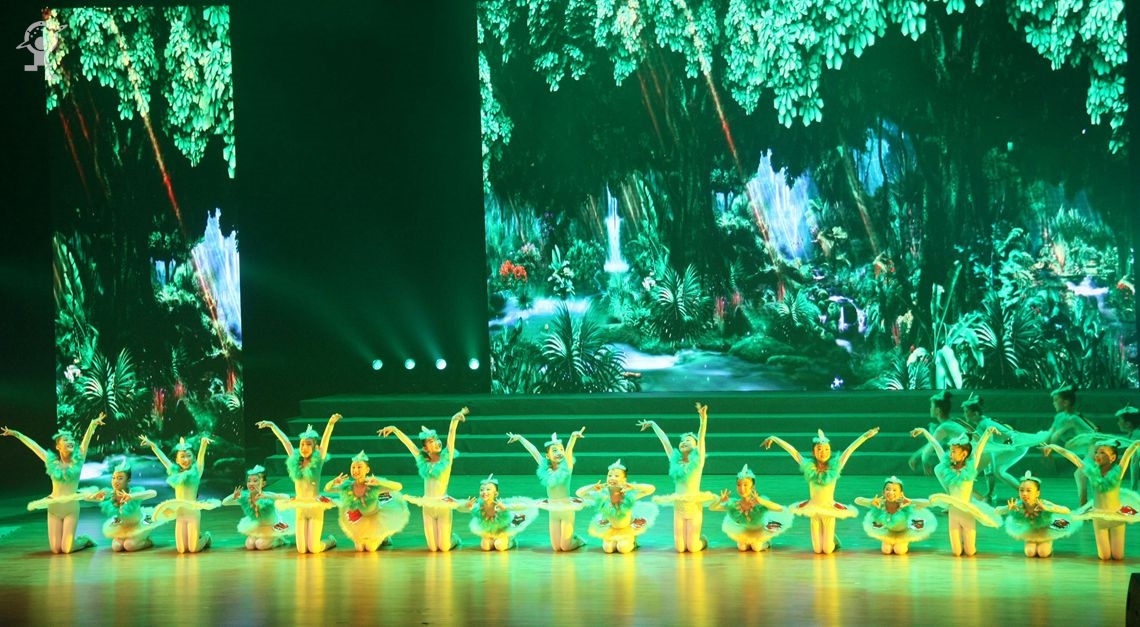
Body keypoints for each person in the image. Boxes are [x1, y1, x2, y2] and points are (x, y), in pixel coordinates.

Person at [764, 427, 879, 554]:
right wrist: (774, 438)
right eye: (819, 449)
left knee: (827, 550)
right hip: (813, 509)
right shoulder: (809, 467)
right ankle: (829, 537)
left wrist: (865, 436)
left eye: (826, 449)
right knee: (818, 550)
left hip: (829, 509)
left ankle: (834, 540)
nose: (823, 452)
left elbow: (849, 450)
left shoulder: (835, 466)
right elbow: (793, 452)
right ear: (813, 452)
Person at [2, 414, 104, 553]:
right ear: (58, 446)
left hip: (71, 509)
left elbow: (86, 441)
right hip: (54, 508)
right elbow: (34, 446)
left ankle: (84, 540)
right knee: (56, 549)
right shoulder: (52, 462)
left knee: (66, 549)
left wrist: (93, 424)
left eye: (72, 439)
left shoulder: (79, 459)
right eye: (66, 439)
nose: (70, 441)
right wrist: (16, 434)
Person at [380, 407, 468, 552]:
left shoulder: (447, 458)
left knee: (444, 547)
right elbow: (410, 445)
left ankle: (454, 538)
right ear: (426, 448)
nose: (437, 442)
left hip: (442, 504)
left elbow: (451, 435)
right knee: (433, 548)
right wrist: (395, 429)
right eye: (431, 441)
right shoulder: (422, 461)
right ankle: (445, 538)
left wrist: (454, 420)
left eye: (437, 439)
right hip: (427, 505)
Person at [257, 414, 341, 554]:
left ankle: (330, 541)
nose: (304, 447)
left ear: (315, 447)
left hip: (314, 506)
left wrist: (330, 423)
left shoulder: (318, 461)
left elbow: (325, 440)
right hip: (300, 506)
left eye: (308, 444)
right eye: (302, 444)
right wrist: (272, 425)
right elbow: (286, 442)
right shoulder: (296, 461)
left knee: (313, 548)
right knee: (302, 550)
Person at [1045, 438, 1140, 560]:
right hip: (1098, 516)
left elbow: (1129, 451)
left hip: (1117, 516)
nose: (1097, 455)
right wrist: (1053, 446)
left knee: (1118, 556)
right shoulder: (1091, 472)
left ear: (1112, 458)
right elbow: (1073, 457)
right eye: (1096, 452)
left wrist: (1136, 443)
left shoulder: (1118, 471)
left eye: (1102, 453)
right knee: (1105, 556)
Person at [912, 427, 1002, 556]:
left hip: (967, 512)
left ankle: (968, 542)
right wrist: (925, 432)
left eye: (953, 451)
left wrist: (988, 432)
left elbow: (979, 448)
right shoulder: (947, 467)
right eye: (950, 450)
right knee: (957, 552)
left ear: (964, 454)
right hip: (953, 513)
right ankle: (961, 542)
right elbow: (936, 446)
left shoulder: (971, 466)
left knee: (970, 552)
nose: (950, 454)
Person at [639, 402, 715, 553]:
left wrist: (703, 420)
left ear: (695, 446)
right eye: (682, 441)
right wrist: (653, 424)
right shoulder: (674, 461)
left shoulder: (698, 461)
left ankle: (703, 540)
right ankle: (692, 539)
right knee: (680, 548)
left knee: (693, 548)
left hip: (693, 508)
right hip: (679, 509)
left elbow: (701, 438)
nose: (684, 442)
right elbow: (665, 442)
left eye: (688, 440)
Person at [506, 428, 587, 551]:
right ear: (547, 455)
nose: (559, 452)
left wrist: (573, 437)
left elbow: (569, 450)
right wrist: (520, 438)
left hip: (566, 509)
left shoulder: (567, 467)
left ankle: (578, 540)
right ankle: (570, 536)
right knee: (556, 547)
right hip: (553, 510)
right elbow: (534, 451)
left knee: (565, 547)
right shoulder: (545, 468)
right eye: (555, 450)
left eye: (561, 449)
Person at [142, 434, 220, 553]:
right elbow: (163, 459)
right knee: (182, 550)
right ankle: (196, 535)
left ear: (193, 458)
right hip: (181, 514)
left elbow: (201, 457)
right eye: (182, 457)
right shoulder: (174, 473)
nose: (186, 459)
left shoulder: (197, 471)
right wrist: (153, 446)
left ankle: (206, 537)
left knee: (193, 549)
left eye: (189, 456)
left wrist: (203, 444)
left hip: (193, 514)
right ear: (177, 460)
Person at [325, 451, 409, 552]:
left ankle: (384, 538)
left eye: (359, 467)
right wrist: (333, 482)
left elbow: (399, 487)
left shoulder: (373, 485)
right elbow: (327, 489)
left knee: (370, 548)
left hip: (375, 518)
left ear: (367, 470)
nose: (355, 470)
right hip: (360, 520)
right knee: (359, 549)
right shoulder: (348, 486)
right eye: (353, 467)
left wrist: (380, 482)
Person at [576, 459, 658, 554]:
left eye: (616, 476)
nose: (612, 478)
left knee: (622, 548)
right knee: (608, 549)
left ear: (624, 480)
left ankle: (633, 541)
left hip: (626, 529)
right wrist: (592, 487)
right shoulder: (603, 495)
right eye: (610, 475)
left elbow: (651, 489)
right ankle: (614, 540)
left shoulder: (629, 495)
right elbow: (579, 493)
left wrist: (634, 486)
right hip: (612, 528)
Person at [994, 471, 1082, 558]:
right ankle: (1032, 541)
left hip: (1048, 528)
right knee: (1030, 553)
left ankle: (1048, 542)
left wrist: (1048, 508)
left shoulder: (1043, 503)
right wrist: (1007, 508)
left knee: (1043, 553)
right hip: (1031, 530)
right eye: (1021, 490)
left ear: (1037, 493)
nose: (1024, 493)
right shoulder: (1018, 505)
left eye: (1028, 491)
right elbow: (997, 511)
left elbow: (1066, 511)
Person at [707, 464, 792, 552]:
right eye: (739, 485)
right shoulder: (734, 504)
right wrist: (720, 500)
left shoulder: (758, 503)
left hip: (759, 531)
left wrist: (762, 501)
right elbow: (712, 508)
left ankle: (767, 543)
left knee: (756, 547)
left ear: (753, 486)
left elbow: (780, 509)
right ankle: (748, 542)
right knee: (742, 547)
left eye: (745, 485)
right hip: (746, 531)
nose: (742, 488)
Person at [1044, 384, 1099, 506]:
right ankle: (1087, 505)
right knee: (1082, 475)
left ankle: (1093, 504)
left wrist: (1049, 449)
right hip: (1084, 450)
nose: (1053, 403)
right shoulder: (1060, 416)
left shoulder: (1073, 418)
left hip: (1092, 448)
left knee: (1082, 475)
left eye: (1056, 400)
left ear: (1066, 402)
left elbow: (1056, 435)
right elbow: (1051, 433)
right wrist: (1046, 447)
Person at [852, 476, 936, 555]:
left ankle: (903, 542)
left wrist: (911, 501)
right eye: (887, 489)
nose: (890, 492)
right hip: (888, 532)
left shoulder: (905, 504)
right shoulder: (879, 503)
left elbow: (929, 502)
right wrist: (870, 501)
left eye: (894, 490)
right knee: (886, 550)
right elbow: (857, 500)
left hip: (903, 532)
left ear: (901, 493)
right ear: (883, 492)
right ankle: (889, 542)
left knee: (899, 551)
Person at [93, 457, 161, 552]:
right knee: (117, 547)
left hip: (140, 523)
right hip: (123, 525)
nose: (115, 481)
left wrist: (132, 496)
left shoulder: (134, 492)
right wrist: (93, 496)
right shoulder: (110, 495)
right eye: (113, 478)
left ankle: (148, 541)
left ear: (128, 480)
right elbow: (88, 498)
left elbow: (153, 493)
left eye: (120, 478)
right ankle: (132, 539)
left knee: (129, 546)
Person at [221, 464, 293, 550]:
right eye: (249, 481)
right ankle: (262, 538)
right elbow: (225, 502)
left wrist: (268, 496)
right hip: (258, 528)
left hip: (271, 527)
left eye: (255, 481)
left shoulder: (267, 496)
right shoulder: (246, 498)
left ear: (263, 483)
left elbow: (286, 497)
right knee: (250, 545)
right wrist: (233, 496)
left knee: (260, 545)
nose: (251, 483)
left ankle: (279, 540)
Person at [458, 474, 538, 551]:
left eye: (488, 489)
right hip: (490, 531)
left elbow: (523, 506)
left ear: (496, 493)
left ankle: (511, 540)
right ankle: (493, 539)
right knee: (485, 547)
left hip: (504, 530)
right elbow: (460, 509)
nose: (484, 492)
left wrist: (506, 507)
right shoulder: (479, 506)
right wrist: (467, 506)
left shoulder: (500, 505)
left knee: (499, 546)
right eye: (482, 490)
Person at [908, 391, 967, 475]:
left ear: (938, 410)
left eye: (932, 407)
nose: (930, 409)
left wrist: (924, 461)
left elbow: (930, 447)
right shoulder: (949, 424)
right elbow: (932, 444)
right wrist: (917, 456)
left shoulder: (944, 427)